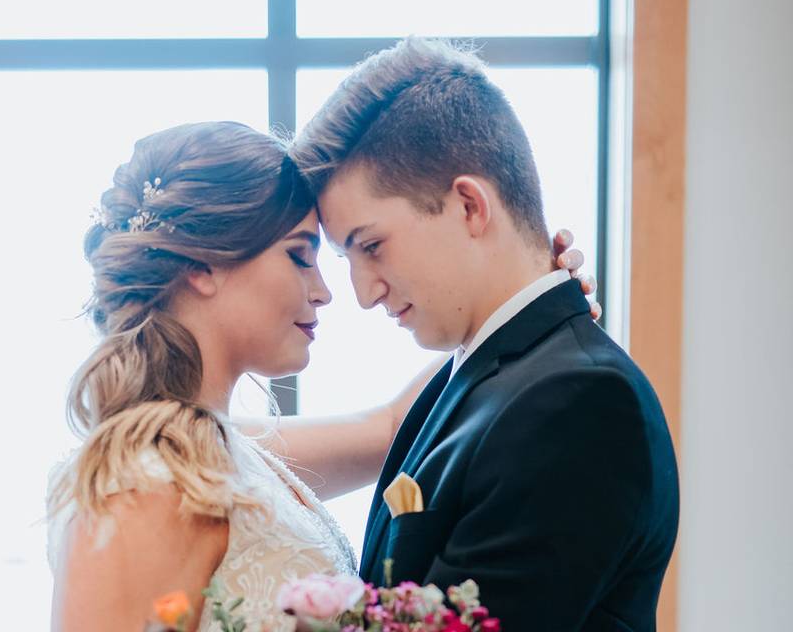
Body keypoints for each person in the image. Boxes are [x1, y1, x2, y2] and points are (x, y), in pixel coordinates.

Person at [47, 120, 596, 632]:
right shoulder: (146, 481)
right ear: (202, 265)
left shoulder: (219, 448)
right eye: (299, 256)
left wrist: (527, 295)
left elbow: (394, 429)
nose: (325, 291)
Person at [290, 37, 679, 631]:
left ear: (469, 205)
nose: (364, 293)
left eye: (371, 246)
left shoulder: (579, 403)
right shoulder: (480, 373)